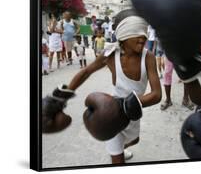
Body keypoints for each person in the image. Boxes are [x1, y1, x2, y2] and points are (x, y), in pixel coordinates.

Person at [44, 11, 161, 164]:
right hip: (109, 111)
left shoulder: (148, 57)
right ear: (123, 35)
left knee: (134, 139)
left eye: (144, 33)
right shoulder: (110, 54)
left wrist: (126, 107)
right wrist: (62, 97)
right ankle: (117, 150)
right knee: (117, 159)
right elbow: (87, 71)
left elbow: (157, 94)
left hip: (133, 111)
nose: (143, 37)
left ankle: (121, 146)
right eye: (137, 32)